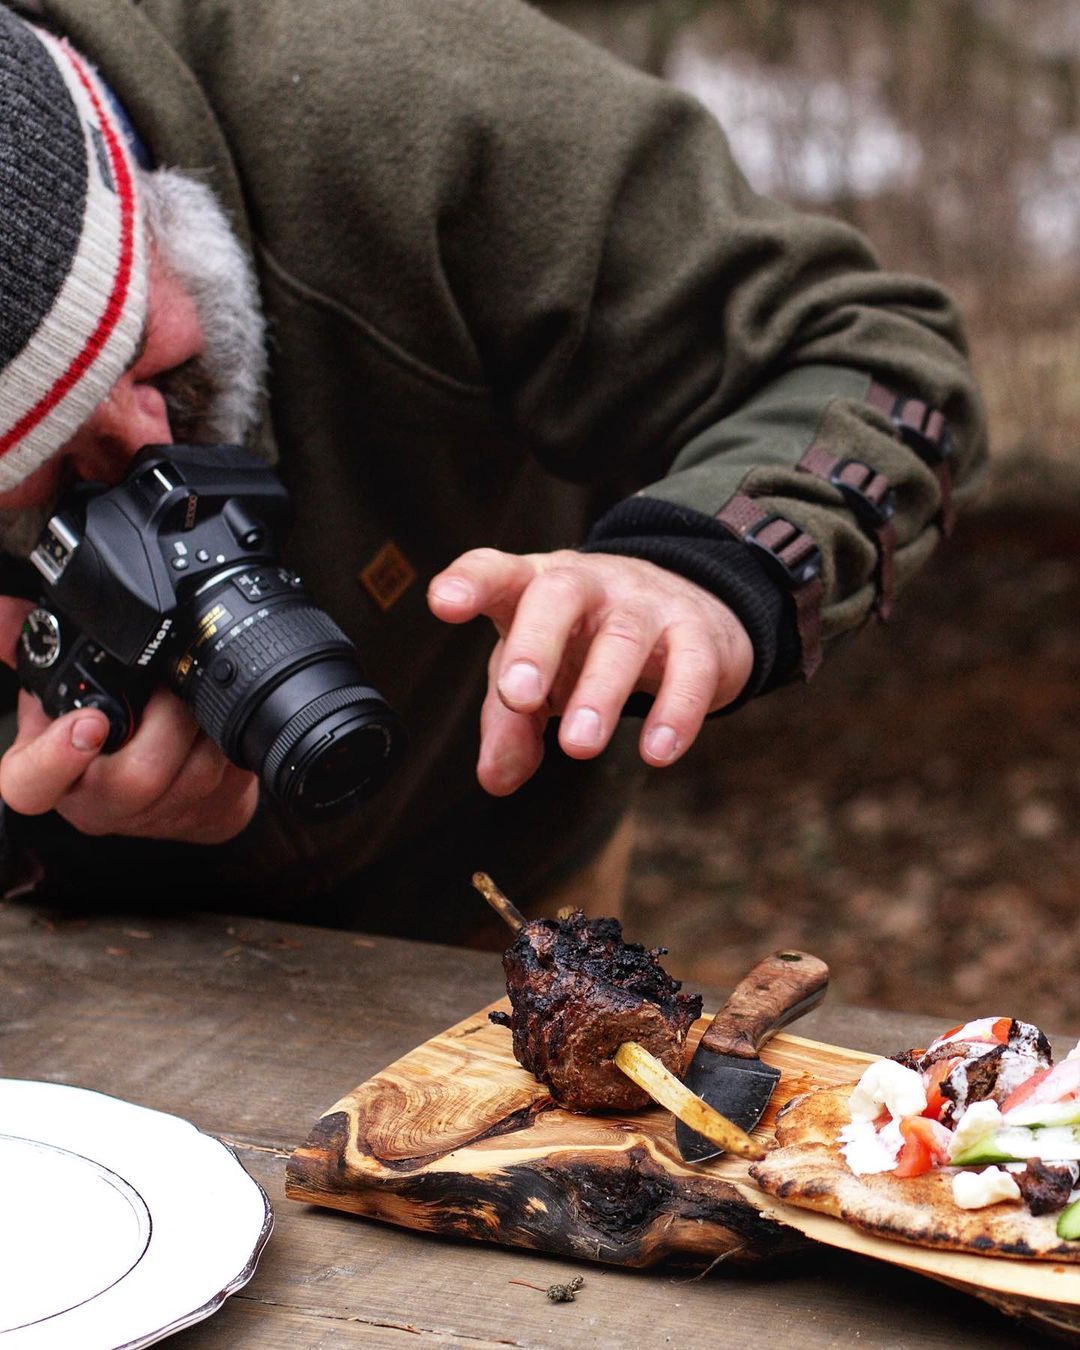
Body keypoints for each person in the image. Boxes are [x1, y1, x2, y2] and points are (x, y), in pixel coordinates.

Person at [0, 0, 986, 942]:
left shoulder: (391, 96)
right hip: (61, 953)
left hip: (491, 883)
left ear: (134, 180)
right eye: (49, 454)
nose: (142, 448)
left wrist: (707, 565)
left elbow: (872, 353)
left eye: (139, 346)